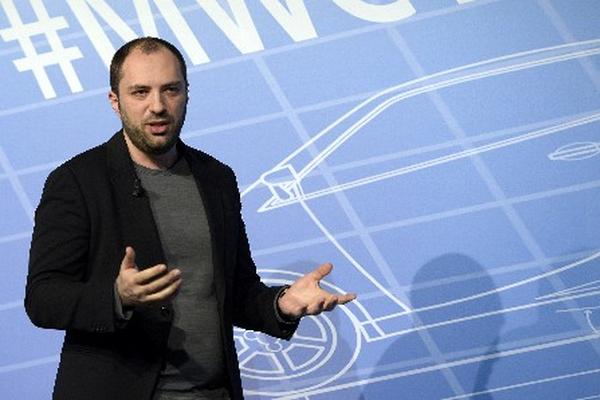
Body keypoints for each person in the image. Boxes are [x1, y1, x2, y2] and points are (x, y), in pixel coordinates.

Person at [26, 37, 356, 400]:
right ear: (115, 102)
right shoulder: (77, 181)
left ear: (187, 93)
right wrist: (117, 296)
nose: (157, 106)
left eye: (170, 90)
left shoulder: (216, 178)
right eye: (140, 92)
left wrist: (280, 306)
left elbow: (235, 291)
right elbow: (43, 299)